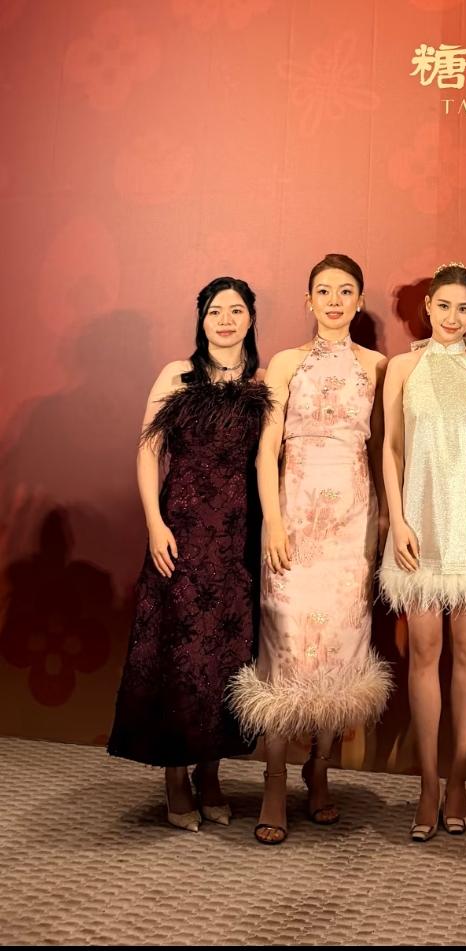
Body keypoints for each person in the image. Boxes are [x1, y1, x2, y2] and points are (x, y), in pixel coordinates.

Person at [228, 254, 392, 845]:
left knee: (340, 648)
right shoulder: (285, 363)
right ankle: (274, 778)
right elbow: (266, 448)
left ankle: (319, 769)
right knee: (287, 643)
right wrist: (272, 522)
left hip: (352, 523)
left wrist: (382, 524)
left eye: (346, 291)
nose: (334, 301)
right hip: (294, 520)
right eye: (324, 291)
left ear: (359, 301)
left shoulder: (376, 365)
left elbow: (382, 451)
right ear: (308, 300)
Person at [108, 276, 270, 832]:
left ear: (251, 319)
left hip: (237, 539)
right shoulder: (176, 375)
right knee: (178, 655)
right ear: (201, 320)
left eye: (236, 310)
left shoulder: (262, 385)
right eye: (215, 311)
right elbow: (147, 452)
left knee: (226, 657)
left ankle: (211, 773)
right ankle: (176, 777)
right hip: (180, 533)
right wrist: (154, 524)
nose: (225, 320)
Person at [379, 262, 466, 841]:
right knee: (423, 651)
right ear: (427, 307)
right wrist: (398, 521)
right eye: (444, 306)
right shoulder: (402, 368)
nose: (453, 318)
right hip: (420, 525)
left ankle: (459, 778)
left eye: (464, 309)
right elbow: (390, 448)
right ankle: (428, 784)